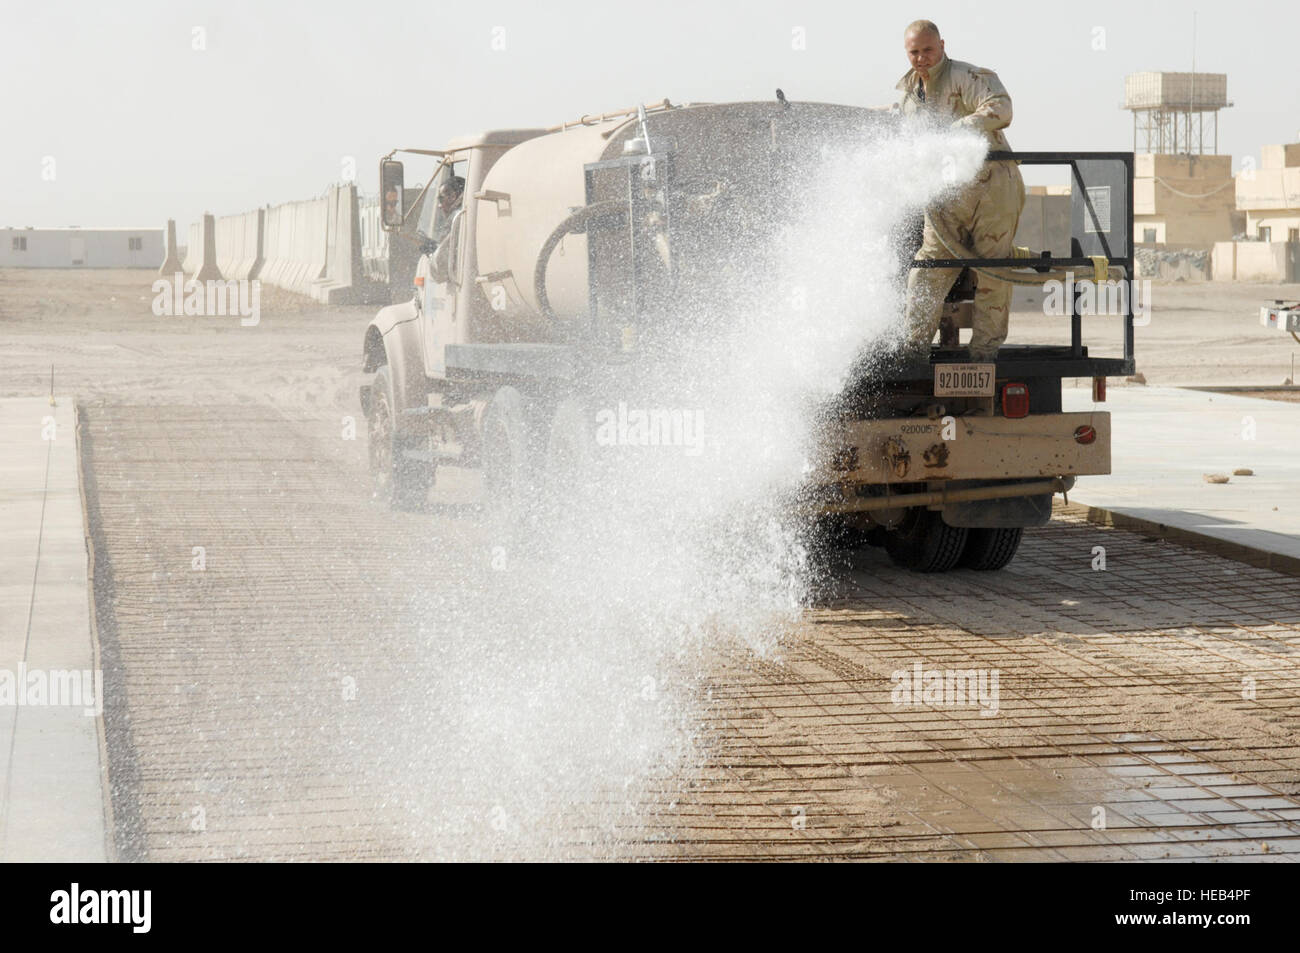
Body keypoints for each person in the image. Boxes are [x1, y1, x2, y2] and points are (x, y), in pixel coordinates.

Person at [897, 19, 1025, 363]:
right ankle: (914, 356)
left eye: (927, 49)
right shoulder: (909, 96)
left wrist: (956, 131)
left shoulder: (967, 77)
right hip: (945, 199)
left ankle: (982, 358)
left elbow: (1001, 107)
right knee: (927, 272)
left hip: (992, 192)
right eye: (914, 52)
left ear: (941, 45)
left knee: (992, 273)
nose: (921, 58)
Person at [430, 175, 465, 284]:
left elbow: (440, 270)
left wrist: (431, 254)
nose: (439, 206)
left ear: (453, 197)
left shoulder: (457, 219)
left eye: (441, 198)